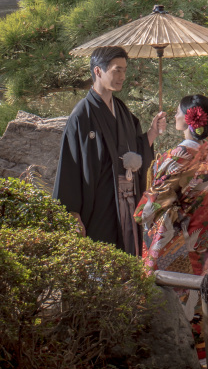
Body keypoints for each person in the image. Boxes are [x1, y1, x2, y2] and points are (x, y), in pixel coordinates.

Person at [134, 93, 208, 359]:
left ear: (187, 118)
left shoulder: (179, 156)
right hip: (202, 241)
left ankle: (173, 358)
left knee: (170, 299)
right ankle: (200, 354)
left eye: (177, 112)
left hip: (176, 243)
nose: (173, 116)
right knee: (198, 295)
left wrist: (142, 208)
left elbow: (151, 208)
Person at [53, 44, 166, 253]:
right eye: (117, 70)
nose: (123, 76)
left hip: (129, 201)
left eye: (124, 70)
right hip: (100, 204)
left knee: (131, 254)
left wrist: (151, 133)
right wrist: (72, 214)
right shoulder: (81, 116)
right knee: (103, 255)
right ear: (98, 71)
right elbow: (70, 167)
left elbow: (135, 149)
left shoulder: (121, 109)